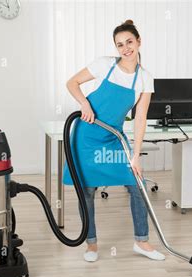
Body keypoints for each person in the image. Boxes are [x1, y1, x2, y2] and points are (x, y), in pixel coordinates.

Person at [63, 19, 165, 263]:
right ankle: (91, 244)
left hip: (113, 138)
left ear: (139, 42)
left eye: (129, 42)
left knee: (136, 185)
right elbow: (72, 83)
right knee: (86, 191)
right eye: (120, 44)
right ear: (116, 48)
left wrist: (136, 155)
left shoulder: (144, 79)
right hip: (86, 136)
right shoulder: (105, 64)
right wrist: (84, 103)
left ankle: (141, 241)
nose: (125, 48)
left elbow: (140, 118)